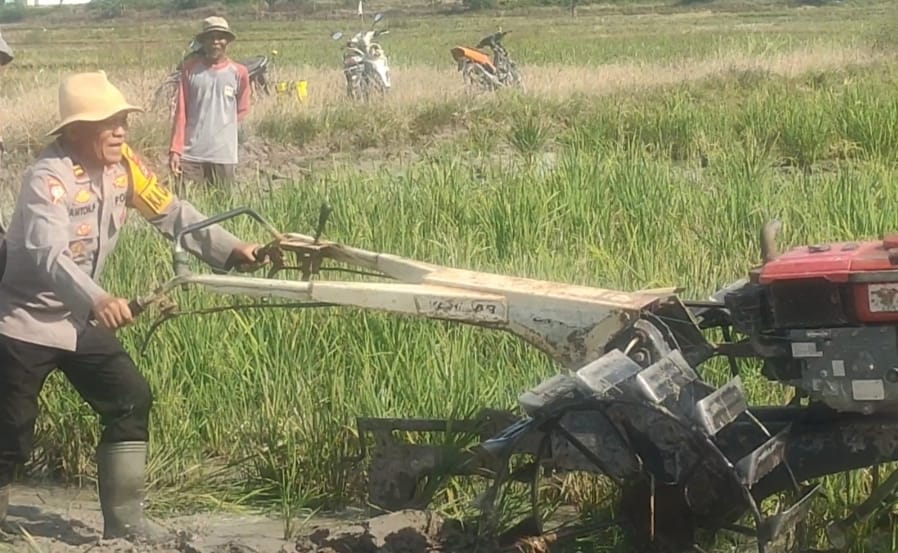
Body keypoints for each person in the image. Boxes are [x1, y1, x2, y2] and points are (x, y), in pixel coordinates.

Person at [0, 70, 263, 543]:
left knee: (129, 397)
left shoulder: (125, 168)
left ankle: (125, 523)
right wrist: (99, 299)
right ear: (75, 130)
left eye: (123, 120)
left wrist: (232, 248)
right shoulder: (49, 179)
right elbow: (48, 255)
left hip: (77, 320)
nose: (120, 131)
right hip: (23, 321)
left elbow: (171, 212)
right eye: (109, 122)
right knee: (10, 434)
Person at [169, 16, 251, 193]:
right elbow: (181, 112)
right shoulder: (190, 70)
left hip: (223, 156)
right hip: (191, 155)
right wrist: (175, 150)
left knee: (223, 205)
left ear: (227, 41)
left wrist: (222, 132)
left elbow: (242, 109)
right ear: (203, 41)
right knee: (187, 204)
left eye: (220, 37)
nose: (215, 42)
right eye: (210, 37)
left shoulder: (239, 73)